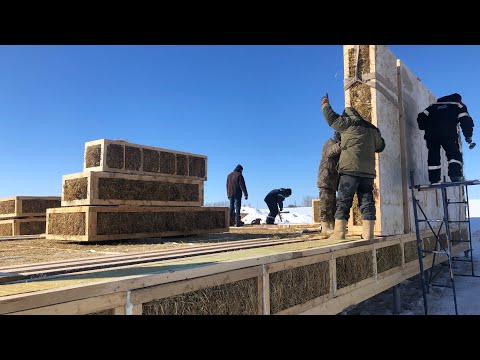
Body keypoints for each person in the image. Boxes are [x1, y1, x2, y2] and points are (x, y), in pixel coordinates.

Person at [321, 93, 385, 241]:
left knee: (344, 200)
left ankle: (339, 234)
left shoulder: (348, 123)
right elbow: (381, 146)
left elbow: (330, 118)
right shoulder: (372, 129)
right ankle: (368, 234)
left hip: (349, 171)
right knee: (367, 201)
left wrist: (325, 103)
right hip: (368, 174)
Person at [416, 93, 474, 184]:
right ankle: (455, 175)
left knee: (433, 155)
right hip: (448, 133)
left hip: (431, 134)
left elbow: (421, 117)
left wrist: (426, 126)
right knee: (454, 153)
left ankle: (434, 179)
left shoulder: (433, 106)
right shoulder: (457, 104)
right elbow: (465, 120)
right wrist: (468, 136)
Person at [317, 131, 341, 234]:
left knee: (333, 204)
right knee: (326, 203)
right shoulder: (329, 143)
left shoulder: (338, 147)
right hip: (325, 178)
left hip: (332, 179)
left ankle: (331, 226)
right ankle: (325, 227)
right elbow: (330, 152)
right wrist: (343, 144)